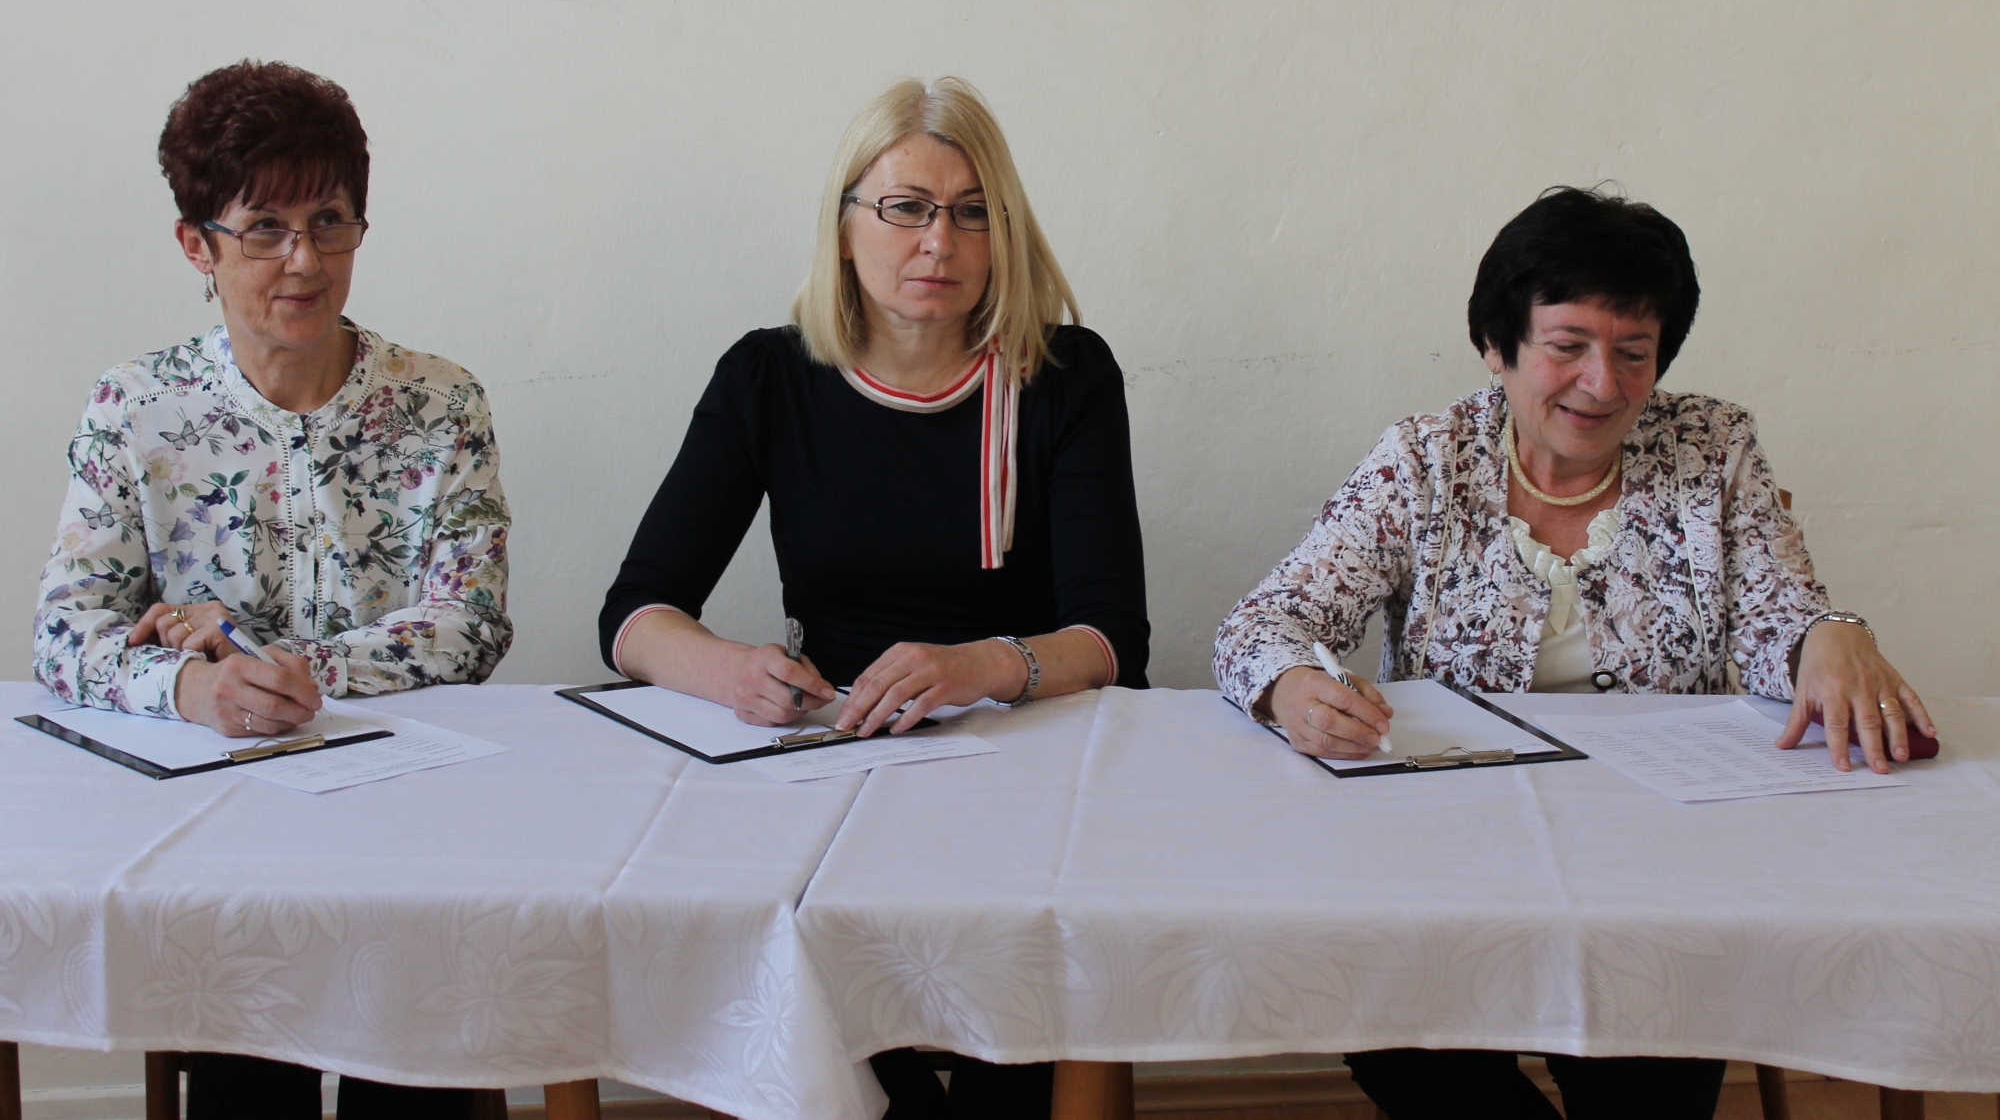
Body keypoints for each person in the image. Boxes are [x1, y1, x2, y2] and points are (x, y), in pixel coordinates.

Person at [1213, 185, 1935, 1120]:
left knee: (1657, 1041)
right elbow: (1263, 621)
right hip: (1451, 850)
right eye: (1568, 346)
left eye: (1634, 352)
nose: (1602, 383)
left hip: (1660, 860)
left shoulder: (1712, 446)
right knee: (1387, 1011)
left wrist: (1827, 634)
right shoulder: (1425, 460)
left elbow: (1778, 618)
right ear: (1498, 344)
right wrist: (1292, 685)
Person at [600, 76, 1148, 1117]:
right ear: (845, 223)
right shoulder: (768, 376)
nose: (939, 241)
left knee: (1018, 1007)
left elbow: (1111, 637)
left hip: (1030, 754)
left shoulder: (1064, 373)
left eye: (972, 212)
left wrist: (982, 663)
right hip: (839, 756)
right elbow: (634, 615)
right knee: (791, 976)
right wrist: (734, 671)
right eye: (906, 207)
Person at [33, 60, 512, 1120]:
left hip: (411, 811)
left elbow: (471, 624)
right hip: (216, 826)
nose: (304, 260)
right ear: (196, 243)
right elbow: (65, 633)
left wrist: (274, 663)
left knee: (415, 1056)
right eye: (264, 229)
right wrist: (194, 688)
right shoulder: (135, 407)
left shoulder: (440, 402)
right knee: (247, 1047)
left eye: (329, 222)